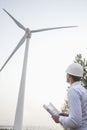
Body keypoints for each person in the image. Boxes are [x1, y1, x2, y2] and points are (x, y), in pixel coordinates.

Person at [52, 63, 87, 130]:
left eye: (67, 74)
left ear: (69, 76)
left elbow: (75, 122)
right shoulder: (83, 90)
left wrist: (59, 119)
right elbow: (83, 116)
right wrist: (68, 116)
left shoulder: (73, 90)